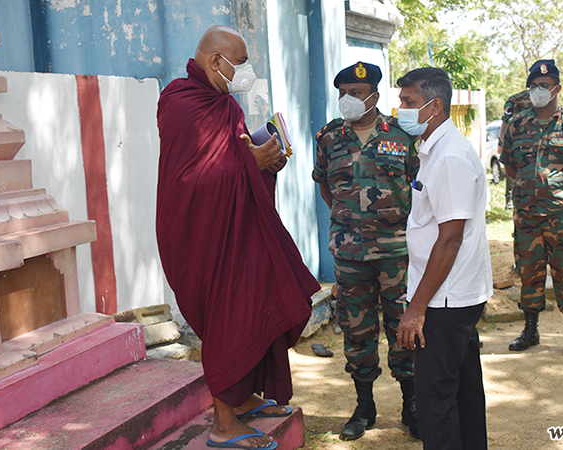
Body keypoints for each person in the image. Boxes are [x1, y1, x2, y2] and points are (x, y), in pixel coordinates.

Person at [156, 25, 320, 450]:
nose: (245, 72)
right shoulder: (180, 102)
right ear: (216, 61)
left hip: (239, 232)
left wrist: (266, 162)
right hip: (203, 240)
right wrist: (251, 161)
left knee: (258, 303)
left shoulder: (225, 105)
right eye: (241, 63)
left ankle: (245, 398)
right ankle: (224, 424)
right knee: (227, 318)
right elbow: (190, 180)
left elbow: (236, 159)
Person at [312, 61, 420, 441]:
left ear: (374, 94)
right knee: (357, 332)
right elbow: (326, 187)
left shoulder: (402, 135)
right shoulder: (328, 137)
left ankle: (412, 404)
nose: (349, 99)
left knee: (404, 328)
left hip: (396, 253)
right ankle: (364, 407)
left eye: (356, 93)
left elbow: (418, 186)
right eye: (343, 93)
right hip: (349, 253)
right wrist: (349, 220)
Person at [395, 67, 492, 450]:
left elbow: (450, 240)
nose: (400, 109)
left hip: (443, 299)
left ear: (434, 106)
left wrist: (416, 308)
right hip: (452, 294)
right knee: (464, 391)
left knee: (435, 401)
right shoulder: (436, 149)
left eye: (409, 102)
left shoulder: (450, 156)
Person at [500, 59, 563, 357]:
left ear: (556, 88)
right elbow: (509, 164)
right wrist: (529, 188)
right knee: (529, 272)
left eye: (543, 86)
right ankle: (530, 331)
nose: (537, 91)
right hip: (527, 216)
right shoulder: (517, 123)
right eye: (533, 86)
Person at [498, 90, 531, 210]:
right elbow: (504, 130)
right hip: (520, 149)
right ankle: (509, 201)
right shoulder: (515, 100)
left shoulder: (549, 95)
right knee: (513, 177)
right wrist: (511, 146)